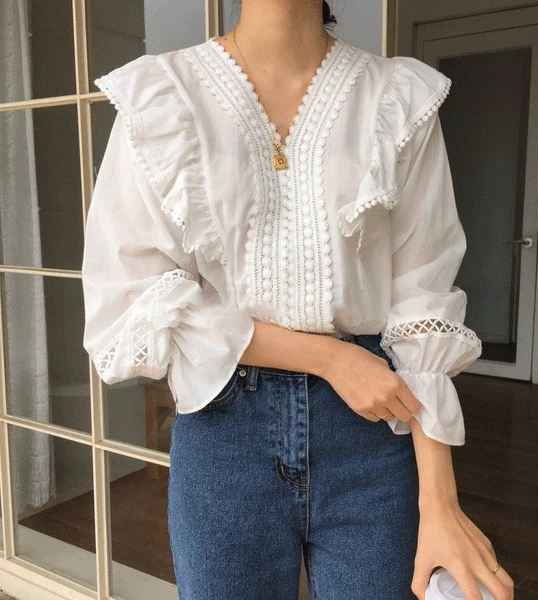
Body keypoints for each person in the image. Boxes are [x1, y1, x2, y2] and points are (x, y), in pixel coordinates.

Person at [81, 1, 515, 599]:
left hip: (374, 430)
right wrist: (330, 358)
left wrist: (440, 502)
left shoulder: (396, 98)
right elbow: (126, 299)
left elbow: (424, 297)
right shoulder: (162, 96)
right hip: (224, 430)